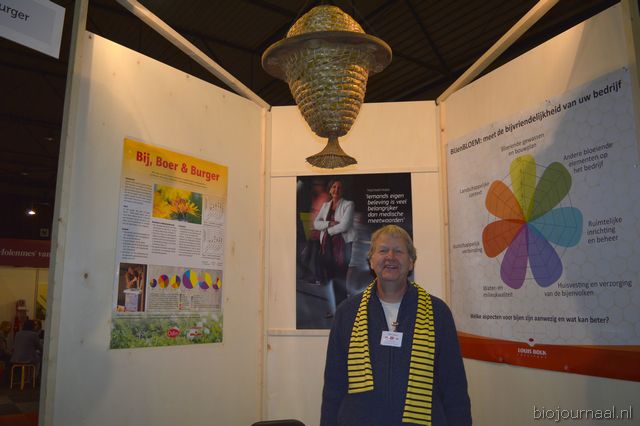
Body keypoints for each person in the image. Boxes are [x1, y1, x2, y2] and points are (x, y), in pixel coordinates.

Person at [320, 225, 471, 425]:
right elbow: (334, 386)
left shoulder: (438, 313)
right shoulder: (347, 313)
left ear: (411, 262)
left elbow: (454, 387)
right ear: (371, 261)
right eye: (383, 250)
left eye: (399, 251)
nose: (390, 257)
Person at [314, 178, 356, 317]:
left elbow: (345, 225)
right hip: (327, 245)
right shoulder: (325, 205)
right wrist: (330, 223)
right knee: (331, 277)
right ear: (330, 189)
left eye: (339, 187)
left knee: (341, 278)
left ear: (342, 190)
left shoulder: (349, 204)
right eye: (334, 187)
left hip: (343, 245)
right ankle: (336, 309)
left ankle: (341, 310)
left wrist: (328, 230)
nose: (336, 190)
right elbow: (316, 224)